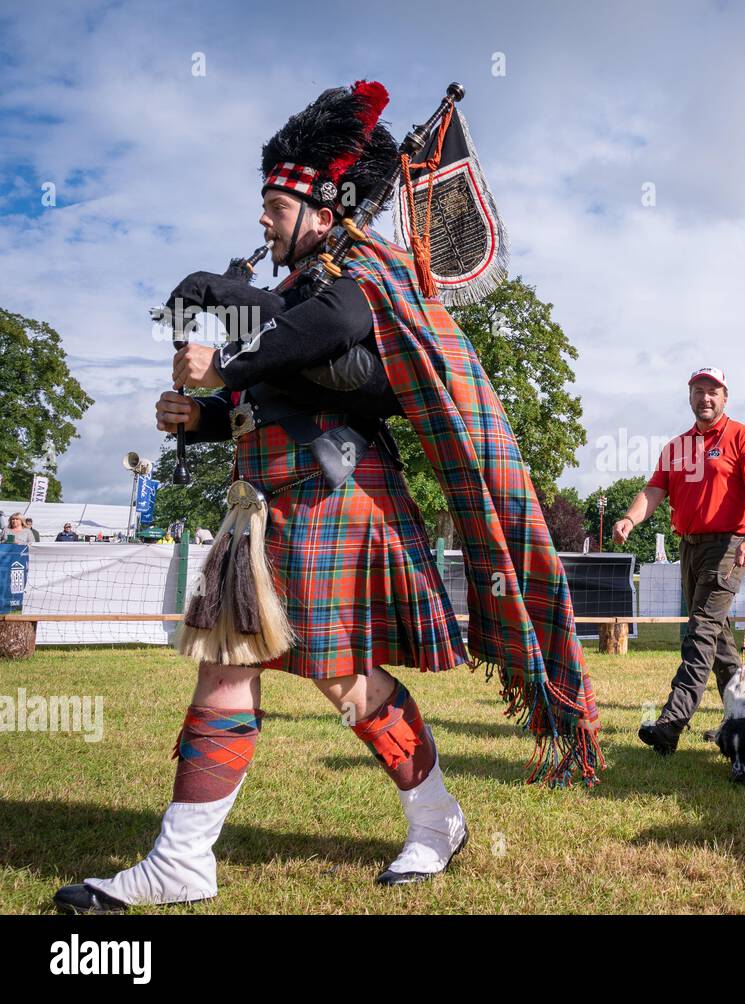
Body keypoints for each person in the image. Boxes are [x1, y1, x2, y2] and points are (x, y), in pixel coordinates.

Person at [54, 81, 599, 915]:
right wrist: (201, 415)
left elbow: (335, 331)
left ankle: (436, 819)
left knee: (345, 682)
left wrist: (226, 345)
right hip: (269, 505)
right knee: (230, 664)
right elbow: (287, 387)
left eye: (275, 204)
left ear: (319, 205)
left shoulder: (349, 272)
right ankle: (183, 860)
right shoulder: (297, 288)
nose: (263, 221)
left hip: (330, 499)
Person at [613, 367, 745, 754]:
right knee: (719, 641)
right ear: (689, 396)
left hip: (728, 547)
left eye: (713, 392)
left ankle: (671, 723)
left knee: (700, 631)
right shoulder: (676, 447)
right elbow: (653, 490)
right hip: (689, 547)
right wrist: (631, 518)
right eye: (699, 391)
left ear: (725, 397)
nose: (706, 398)